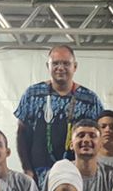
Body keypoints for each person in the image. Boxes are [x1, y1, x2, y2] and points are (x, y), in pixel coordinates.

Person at [14, 44, 102, 178]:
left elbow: (101, 136)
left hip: (77, 174)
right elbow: (21, 133)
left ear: (75, 66)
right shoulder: (32, 94)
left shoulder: (90, 99)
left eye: (66, 63)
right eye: (55, 63)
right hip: (39, 174)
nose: (60, 68)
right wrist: (27, 168)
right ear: (47, 66)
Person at [42, 121, 113, 191]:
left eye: (92, 136)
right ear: (71, 144)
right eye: (81, 135)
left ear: (100, 144)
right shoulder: (56, 173)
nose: (86, 140)